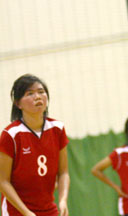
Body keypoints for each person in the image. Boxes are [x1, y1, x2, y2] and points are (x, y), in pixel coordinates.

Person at [0, 74, 70, 216]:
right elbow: (3, 181)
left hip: (49, 209)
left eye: (41, 92)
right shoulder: (11, 135)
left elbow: (63, 172)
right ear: (18, 103)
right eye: (30, 94)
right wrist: (26, 212)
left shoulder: (57, 128)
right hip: (17, 211)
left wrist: (62, 200)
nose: (37, 97)